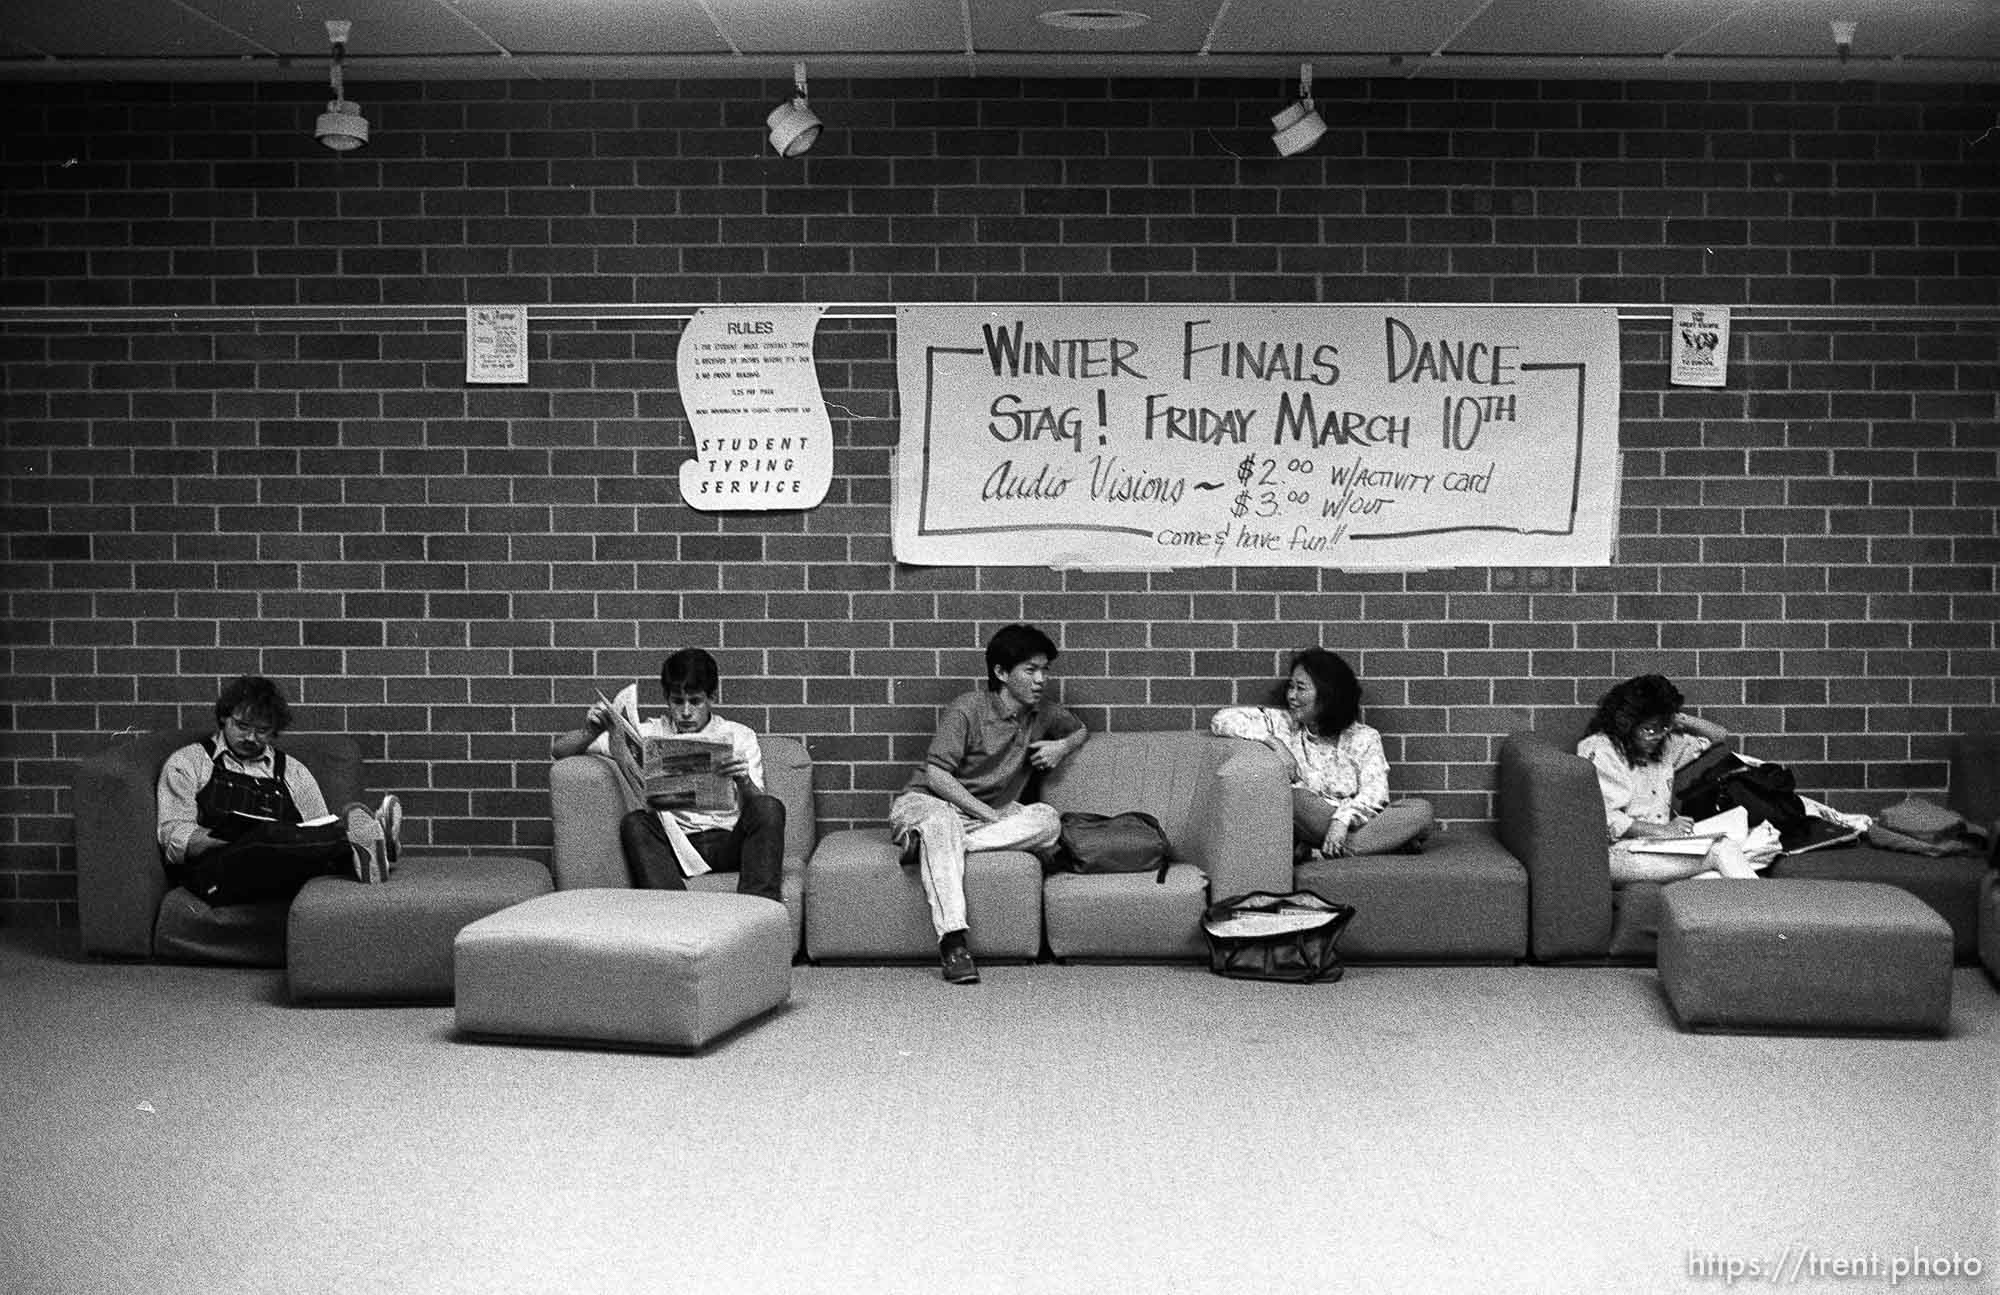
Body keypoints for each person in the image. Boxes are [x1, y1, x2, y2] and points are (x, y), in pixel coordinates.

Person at [891, 623, 1088, 984]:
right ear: (1001, 672)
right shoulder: (968, 709)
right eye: (1030, 670)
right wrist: (987, 813)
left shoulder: (1042, 713)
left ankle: (935, 849)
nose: (1041, 679)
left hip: (981, 822)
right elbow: (937, 776)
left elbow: (1079, 730)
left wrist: (1062, 747)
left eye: (1045, 670)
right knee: (941, 824)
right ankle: (953, 943)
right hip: (929, 804)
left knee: (1047, 820)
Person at [552, 648, 785, 903]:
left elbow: (758, 806)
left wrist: (743, 780)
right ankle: (674, 915)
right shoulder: (649, 734)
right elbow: (559, 751)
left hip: (730, 843)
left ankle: (757, 911)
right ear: (667, 699)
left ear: (712, 698)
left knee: (769, 806)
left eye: (695, 701)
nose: (685, 712)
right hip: (677, 845)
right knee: (636, 822)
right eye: (677, 701)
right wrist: (590, 730)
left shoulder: (739, 735)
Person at [156, 675, 402, 907]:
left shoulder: (293, 772)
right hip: (217, 874)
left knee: (298, 841)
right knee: (265, 836)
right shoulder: (189, 762)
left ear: (273, 731)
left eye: (261, 731)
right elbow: (174, 835)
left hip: (278, 870)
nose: (250, 737)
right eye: (242, 726)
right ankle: (370, 843)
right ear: (224, 718)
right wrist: (224, 839)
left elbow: (318, 827)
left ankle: (363, 848)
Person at [1210, 647, 1433, 861]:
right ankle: (1384, 843)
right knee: (1295, 799)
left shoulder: (1365, 737)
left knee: (1421, 811)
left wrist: (1341, 821)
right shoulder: (1283, 724)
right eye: (1291, 687)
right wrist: (1275, 743)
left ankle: (1322, 851)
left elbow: (1375, 795)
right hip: (1311, 818)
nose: (1292, 696)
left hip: (1355, 822)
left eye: (1301, 688)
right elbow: (1221, 720)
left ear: (1327, 695)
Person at [1576, 673, 1757, 883]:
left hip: (1656, 847)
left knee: (1713, 876)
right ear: (1626, 724)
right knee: (1721, 849)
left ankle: (1750, 915)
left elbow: (1718, 735)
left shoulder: (1665, 745)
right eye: (1648, 729)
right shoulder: (1599, 749)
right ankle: (1777, 912)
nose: (1656, 736)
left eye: (1662, 728)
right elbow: (1602, 816)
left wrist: (1673, 717)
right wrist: (1662, 831)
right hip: (1615, 855)